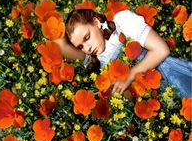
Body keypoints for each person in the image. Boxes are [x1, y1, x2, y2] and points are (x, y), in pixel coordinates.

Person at [54, 9, 192, 98]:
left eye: (87, 37)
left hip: (172, 79)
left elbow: (162, 50)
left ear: (96, 23)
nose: (87, 48)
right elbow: (61, 46)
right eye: (80, 46)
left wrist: (130, 76)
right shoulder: (97, 62)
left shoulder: (122, 24)